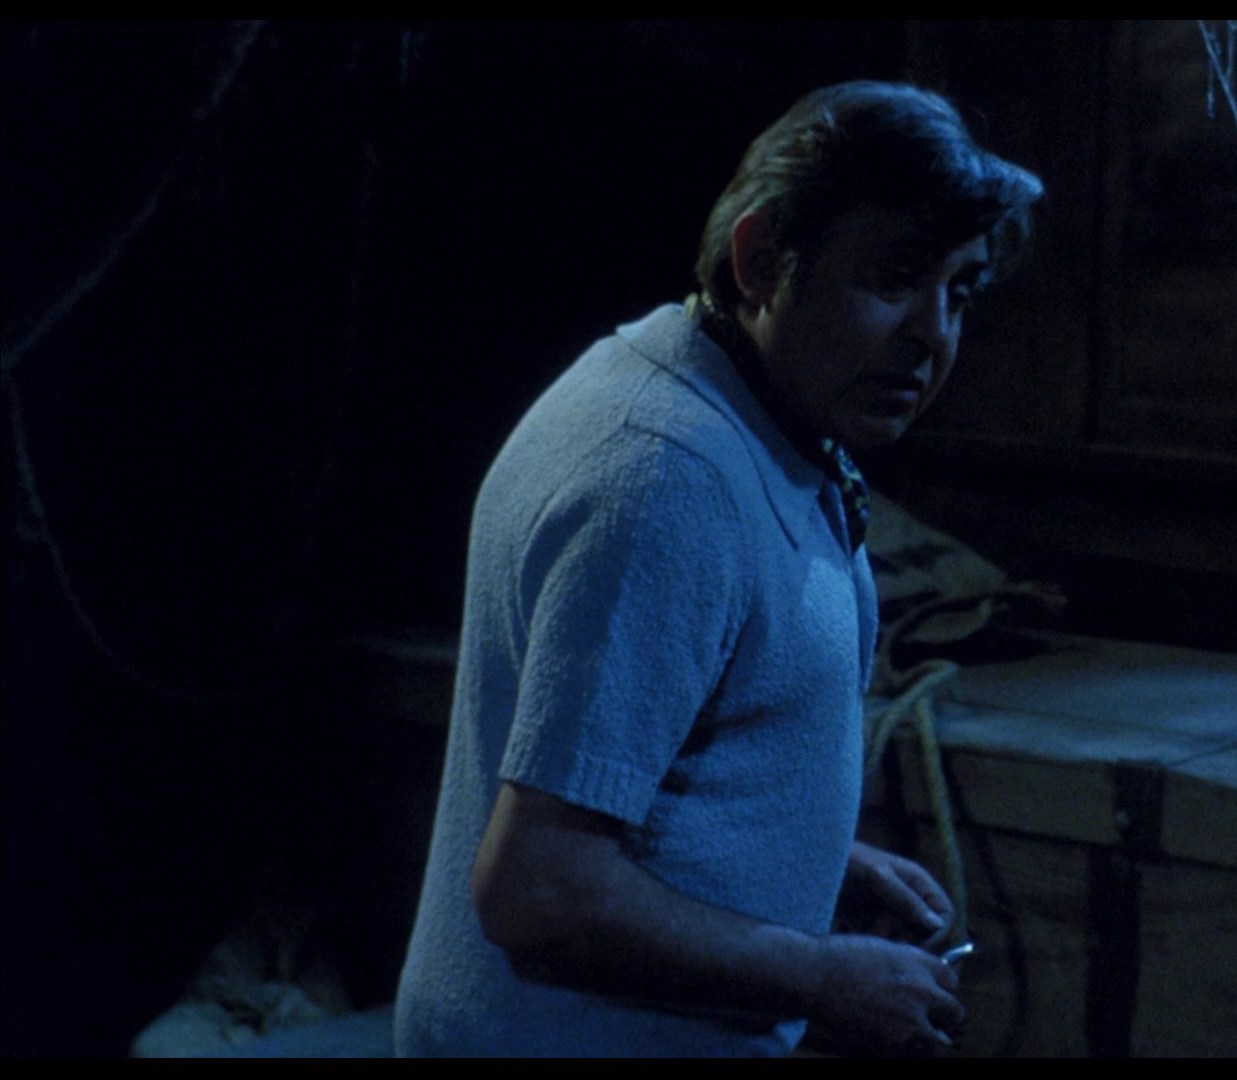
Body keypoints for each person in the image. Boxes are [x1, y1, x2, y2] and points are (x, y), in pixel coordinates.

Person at [392, 80, 1044, 1057]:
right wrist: (819, 975)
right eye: (895, 276)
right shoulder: (667, 478)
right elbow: (539, 888)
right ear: (761, 261)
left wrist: (795, 852)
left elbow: (645, 757)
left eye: (960, 292)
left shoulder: (730, 398)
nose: (933, 335)